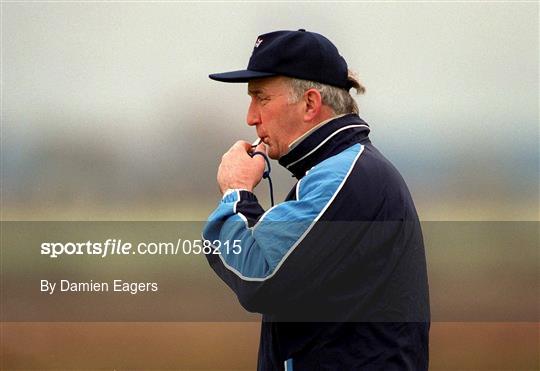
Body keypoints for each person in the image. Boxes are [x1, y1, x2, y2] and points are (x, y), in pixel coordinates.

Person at [203, 29, 430, 370]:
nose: (251, 117)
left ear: (310, 103)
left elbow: (261, 279)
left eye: (262, 98)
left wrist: (237, 193)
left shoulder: (343, 177)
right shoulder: (337, 171)